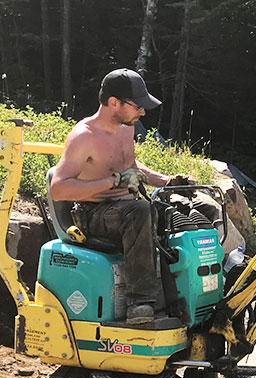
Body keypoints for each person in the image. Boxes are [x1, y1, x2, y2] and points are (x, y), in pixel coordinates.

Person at [50, 68, 190, 325]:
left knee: (188, 210)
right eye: (138, 106)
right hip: (93, 213)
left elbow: (131, 166)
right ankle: (140, 303)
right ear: (113, 102)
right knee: (139, 212)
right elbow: (58, 189)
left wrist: (167, 182)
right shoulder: (85, 136)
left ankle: (180, 299)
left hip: (126, 207)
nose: (143, 112)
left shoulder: (126, 127)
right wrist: (113, 181)